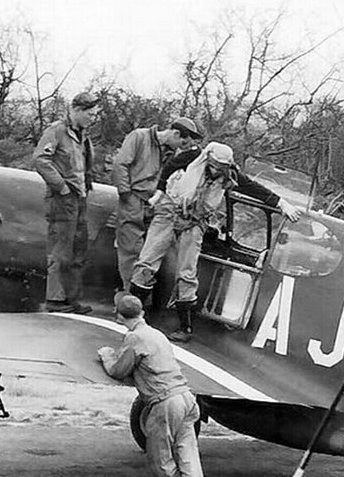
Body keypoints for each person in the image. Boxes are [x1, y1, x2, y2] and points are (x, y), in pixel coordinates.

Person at [128, 142, 301, 342]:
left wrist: (282, 203)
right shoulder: (192, 157)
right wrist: (159, 192)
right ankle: (133, 315)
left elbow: (254, 188)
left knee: (187, 273)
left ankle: (185, 327)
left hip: (195, 221)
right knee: (147, 262)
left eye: (222, 166)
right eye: (215, 164)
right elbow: (170, 166)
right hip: (169, 211)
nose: (217, 169)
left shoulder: (231, 175)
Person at [97, 294, 209, 477]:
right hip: (187, 398)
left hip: (165, 403)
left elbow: (119, 370)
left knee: (160, 461)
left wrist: (106, 355)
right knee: (188, 457)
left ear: (119, 317)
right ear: (142, 313)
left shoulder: (135, 337)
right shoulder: (157, 334)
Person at [109, 118, 203, 294]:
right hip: (134, 198)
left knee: (150, 253)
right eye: (182, 141)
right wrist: (126, 194)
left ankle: (140, 298)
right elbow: (120, 165)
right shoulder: (139, 137)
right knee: (131, 251)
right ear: (175, 133)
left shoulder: (172, 153)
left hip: (155, 204)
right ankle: (130, 300)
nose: (182, 147)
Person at [33, 91, 100, 314]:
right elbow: (41, 160)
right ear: (77, 110)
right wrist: (61, 187)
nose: (93, 117)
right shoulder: (56, 131)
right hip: (62, 199)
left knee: (78, 249)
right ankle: (55, 299)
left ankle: (72, 298)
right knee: (60, 250)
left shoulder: (83, 136)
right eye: (90, 113)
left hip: (79, 199)